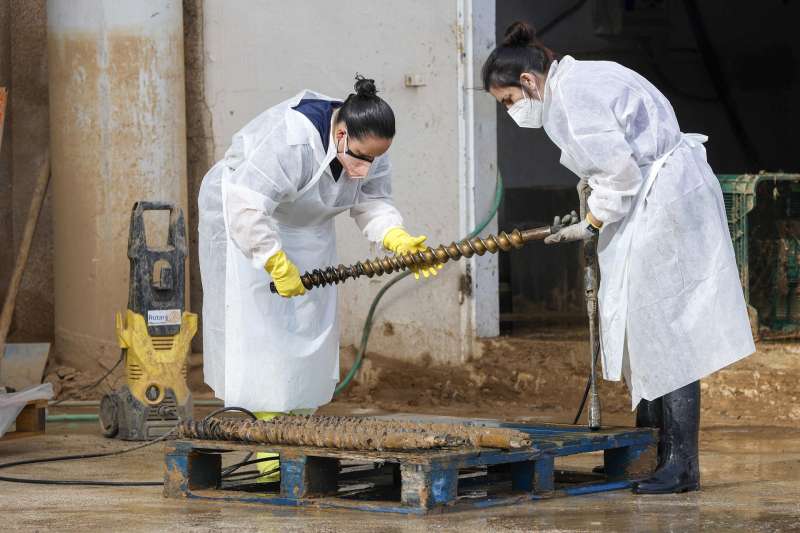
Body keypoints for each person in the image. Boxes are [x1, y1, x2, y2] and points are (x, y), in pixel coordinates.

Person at [482, 21, 755, 494]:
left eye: (508, 101)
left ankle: (679, 465)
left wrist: (591, 220)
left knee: (668, 332)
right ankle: (651, 451)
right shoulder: (581, 78)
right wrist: (597, 210)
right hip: (659, 194)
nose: (513, 112)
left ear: (528, 81)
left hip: (660, 199)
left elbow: (620, 174)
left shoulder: (571, 97)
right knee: (647, 326)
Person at [197, 76, 436, 481]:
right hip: (250, 217)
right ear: (340, 133)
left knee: (310, 320)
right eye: (360, 157)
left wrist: (394, 235)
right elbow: (247, 203)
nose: (366, 167)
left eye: (373, 160)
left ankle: (300, 421)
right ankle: (265, 439)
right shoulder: (290, 140)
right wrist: (271, 259)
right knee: (261, 326)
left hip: (309, 226)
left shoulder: (370, 146)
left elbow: (372, 200)